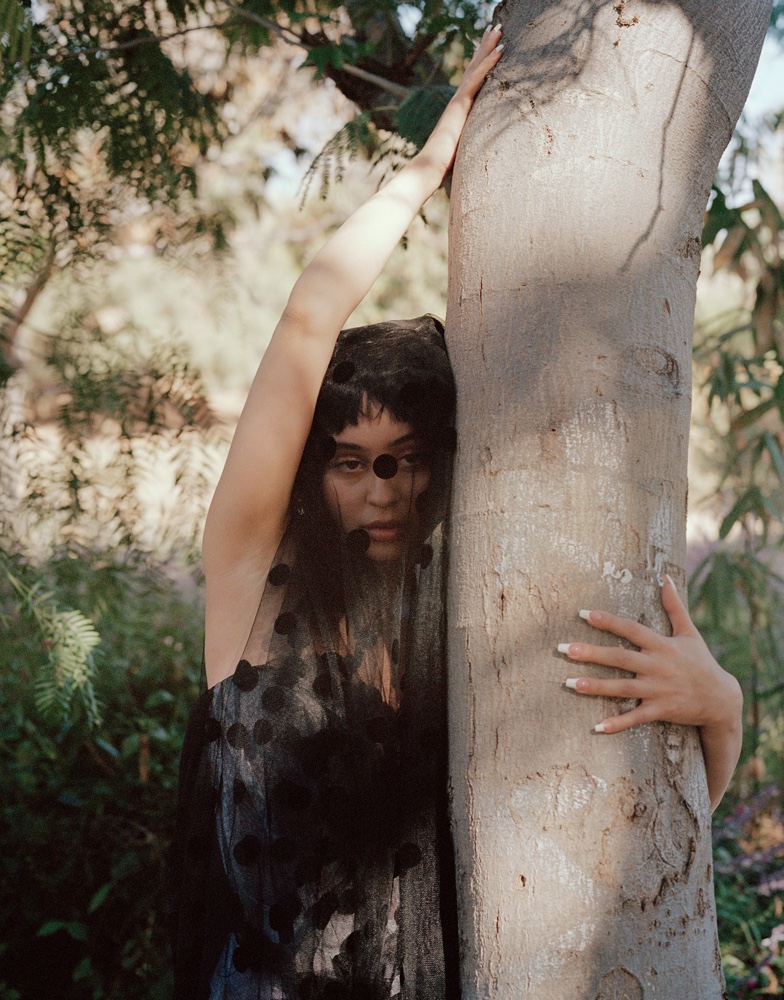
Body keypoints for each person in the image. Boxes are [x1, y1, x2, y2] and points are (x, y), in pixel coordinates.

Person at [169, 23, 742, 1000]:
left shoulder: (466, 658)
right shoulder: (247, 591)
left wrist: (717, 710)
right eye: (350, 462)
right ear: (312, 473)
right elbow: (308, 317)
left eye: (406, 463)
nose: (381, 489)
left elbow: (609, 842)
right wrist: (426, 167)